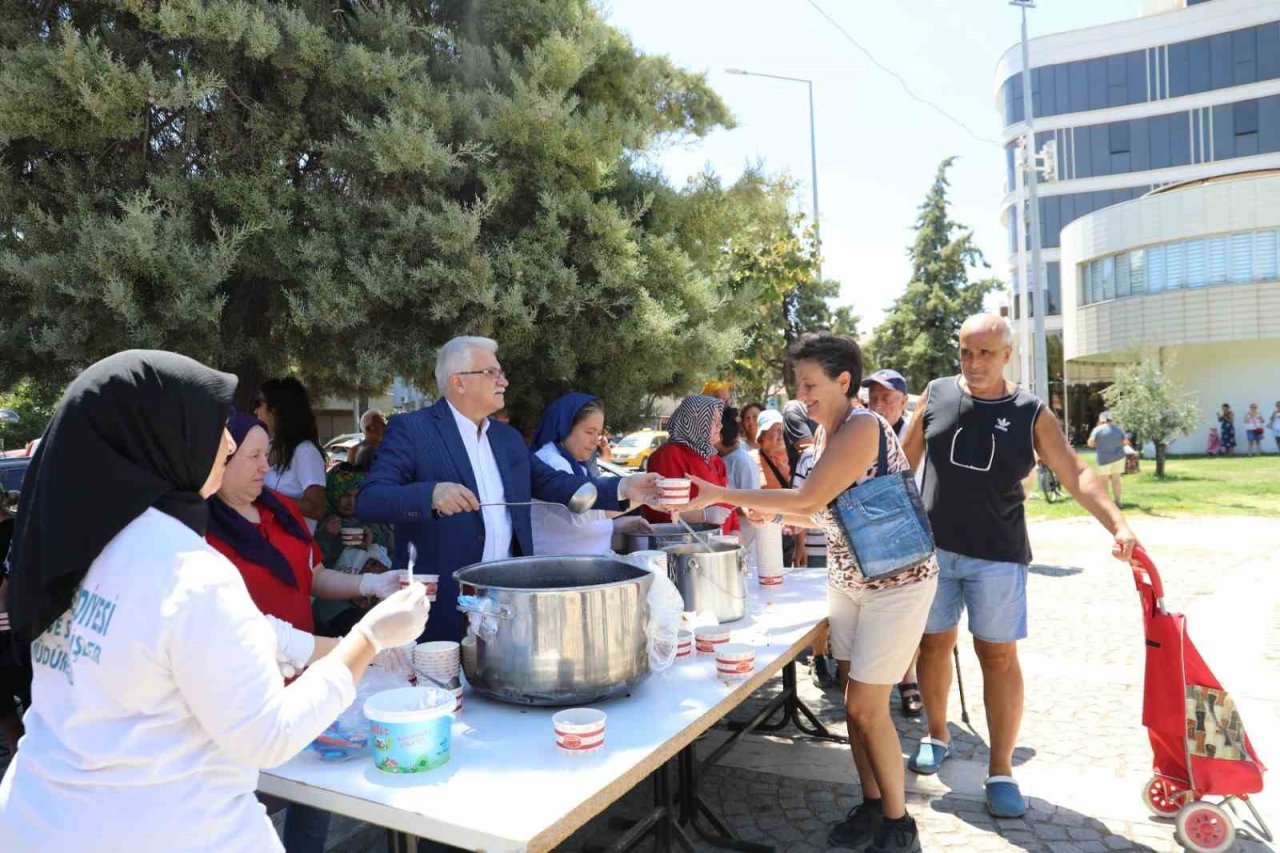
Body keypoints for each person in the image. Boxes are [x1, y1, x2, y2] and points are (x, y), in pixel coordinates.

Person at [0, 350, 430, 852]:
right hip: (166, 830)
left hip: (39, 820)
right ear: (160, 439)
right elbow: (269, 734)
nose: (227, 442)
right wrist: (371, 637)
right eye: (211, 426)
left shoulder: (73, 547)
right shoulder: (186, 569)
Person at [683, 333, 937, 853]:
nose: (801, 394)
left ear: (845, 382)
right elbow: (820, 510)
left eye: (811, 383)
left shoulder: (862, 427)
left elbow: (808, 496)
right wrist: (774, 511)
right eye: (798, 383)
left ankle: (898, 825)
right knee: (852, 701)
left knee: (867, 707)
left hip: (897, 582)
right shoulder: (826, 435)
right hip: (849, 579)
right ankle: (872, 806)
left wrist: (723, 493)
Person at [901, 314, 1139, 819]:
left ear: (1007, 355)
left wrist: (1117, 525)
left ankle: (1001, 768)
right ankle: (937, 735)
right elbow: (899, 464)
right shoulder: (936, 395)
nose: (974, 362)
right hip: (934, 551)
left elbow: (1075, 471)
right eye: (966, 351)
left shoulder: (1030, 410)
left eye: (986, 353)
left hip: (999, 555)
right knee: (933, 643)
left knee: (998, 657)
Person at [357, 337, 661, 643]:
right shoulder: (412, 430)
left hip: (506, 605)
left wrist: (623, 486)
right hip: (439, 610)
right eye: (492, 372)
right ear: (458, 382)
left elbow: (555, 483)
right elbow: (371, 499)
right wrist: (431, 494)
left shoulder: (508, 439)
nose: (504, 380)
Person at [206, 413, 403, 853]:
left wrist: (370, 585)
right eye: (253, 456)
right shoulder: (197, 532)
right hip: (243, 695)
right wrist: (359, 645)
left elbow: (312, 576)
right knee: (244, 803)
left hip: (306, 676)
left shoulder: (280, 510)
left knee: (314, 796)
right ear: (221, 460)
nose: (265, 466)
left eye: (266, 454)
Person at [862, 367, 923, 721]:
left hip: (909, 536)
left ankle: (908, 679)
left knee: (907, 616)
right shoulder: (861, 432)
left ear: (903, 401)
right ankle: (876, 683)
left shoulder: (915, 433)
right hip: (870, 536)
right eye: (873, 397)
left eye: (886, 398)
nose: (879, 404)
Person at [529, 393, 651, 556]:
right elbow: (581, 512)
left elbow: (574, 524)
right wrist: (644, 495)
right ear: (564, 428)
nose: (595, 441)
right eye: (589, 432)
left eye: (598, 433)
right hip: (560, 572)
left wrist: (616, 525)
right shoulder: (550, 461)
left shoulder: (577, 464)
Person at [314, 463, 394, 636]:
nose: (351, 502)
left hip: (374, 601)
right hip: (336, 608)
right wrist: (326, 536)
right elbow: (314, 569)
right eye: (344, 495)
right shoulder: (322, 522)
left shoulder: (376, 522)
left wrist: (370, 545)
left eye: (357, 495)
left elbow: (390, 559)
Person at [642, 395, 736, 533]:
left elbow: (727, 503)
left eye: (719, 420)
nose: (720, 425)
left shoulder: (715, 460)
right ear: (694, 422)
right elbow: (660, 511)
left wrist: (734, 530)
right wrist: (703, 515)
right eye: (713, 420)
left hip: (716, 543)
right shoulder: (669, 455)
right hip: (682, 544)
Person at [255, 378, 327, 532]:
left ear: (275, 410)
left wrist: (266, 497)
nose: (256, 411)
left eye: (259, 404)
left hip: (291, 549)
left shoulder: (305, 452)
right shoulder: (268, 447)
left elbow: (317, 509)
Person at [1087, 411, 1127, 505]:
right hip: (1119, 457)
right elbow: (1125, 442)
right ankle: (1118, 501)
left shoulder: (1097, 429)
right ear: (1111, 419)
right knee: (1116, 480)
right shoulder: (1118, 429)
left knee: (1104, 480)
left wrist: (1099, 443)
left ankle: (1106, 503)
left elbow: (1090, 443)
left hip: (1104, 458)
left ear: (1101, 420)